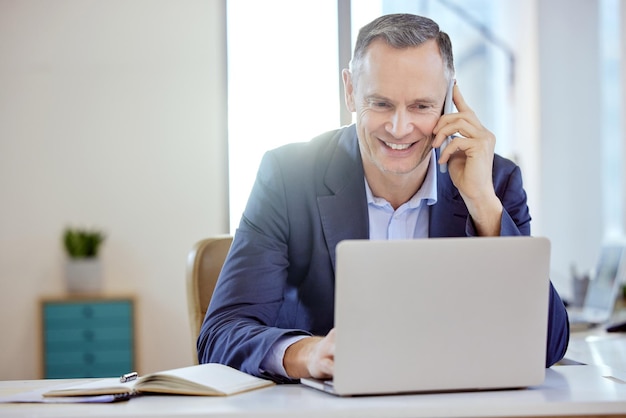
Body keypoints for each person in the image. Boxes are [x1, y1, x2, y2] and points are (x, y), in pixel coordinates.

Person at [197, 13, 570, 383]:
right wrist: (307, 353)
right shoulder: (287, 176)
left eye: (421, 106)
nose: (399, 128)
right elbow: (220, 334)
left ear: (448, 101)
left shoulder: (494, 181)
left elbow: (549, 345)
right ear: (350, 91)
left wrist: (484, 207)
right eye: (381, 104)